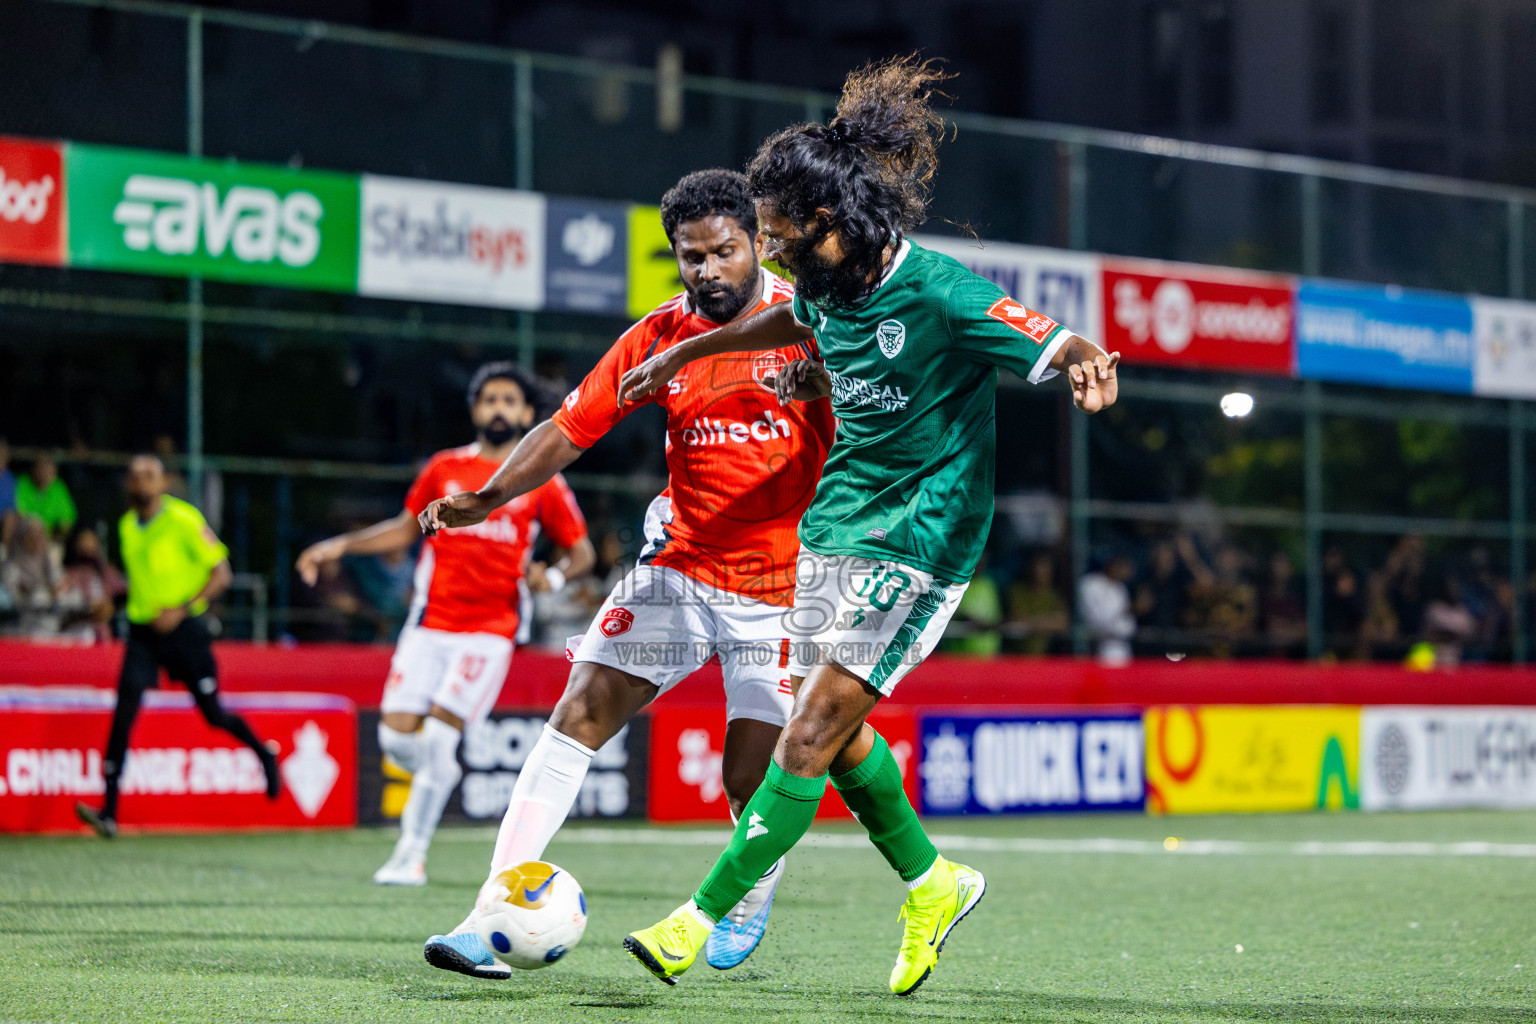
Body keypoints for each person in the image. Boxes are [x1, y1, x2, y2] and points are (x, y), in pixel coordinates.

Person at [605, 56, 1119, 995]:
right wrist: (689, 351)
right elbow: (782, 325)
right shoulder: (825, 288)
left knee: (807, 732)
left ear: (828, 225)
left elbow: (1049, 336)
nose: (769, 251)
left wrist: (1085, 360)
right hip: (837, 527)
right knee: (836, 741)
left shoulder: (940, 291)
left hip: (923, 538)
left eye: (777, 235)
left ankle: (698, 918)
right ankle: (934, 883)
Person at [415, 169, 837, 979]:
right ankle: (487, 915)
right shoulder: (656, 336)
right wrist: (492, 497)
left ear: (757, 242)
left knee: (748, 775)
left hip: (786, 585)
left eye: (725, 251)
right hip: (681, 568)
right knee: (578, 714)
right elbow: (568, 428)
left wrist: (830, 389)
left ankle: (748, 896)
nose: (709, 270)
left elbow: (884, 414)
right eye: (692, 257)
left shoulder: (809, 323)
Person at [296, 362, 593, 886]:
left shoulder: (542, 480)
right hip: (429, 626)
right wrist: (338, 546)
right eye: (489, 400)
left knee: (436, 739)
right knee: (396, 742)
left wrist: (554, 575)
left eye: (509, 400)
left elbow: (581, 553)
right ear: (476, 410)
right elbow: (402, 530)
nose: (498, 408)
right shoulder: (443, 468)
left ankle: (410, 855)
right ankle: (441, 776)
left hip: (491, 630)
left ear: (526, 412)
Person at [75, 456, 280, 838]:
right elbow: (143, 583)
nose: (141, 483)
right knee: (124, 713)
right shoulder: (126, 527)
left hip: (186, 631)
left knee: (213, 714)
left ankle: (264, 753)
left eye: (148, 476)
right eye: (134, 476)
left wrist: (182, 608)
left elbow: (222, 574)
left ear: (163, 481)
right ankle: (109, 812)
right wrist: (116, 603)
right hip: (142, 634)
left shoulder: (184, 519)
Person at [57, 524, 127, 643]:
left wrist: (110, 607)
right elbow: (62, 602)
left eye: (91, 542)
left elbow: (123, 595)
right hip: (78, 631)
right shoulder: (69, 574)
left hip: (107, 630)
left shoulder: (107, 572)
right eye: (83, 542)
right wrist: (88, 609)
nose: (88, 547)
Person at [1078, 555, 1136, 665]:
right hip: (1092, 647)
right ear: (1113, 566)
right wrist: (1127, 612)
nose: (1127, 572)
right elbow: (1096, 620)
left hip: (1120, 650)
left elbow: (1128, 626)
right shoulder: (1090, 584)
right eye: (1124, 568)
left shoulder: (1121, 589)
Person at [15, 453, 77, 539]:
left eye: (49, 470)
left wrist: (58, 534)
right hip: (25, 537)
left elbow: (68, 518)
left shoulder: (58, 487)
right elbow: (19, 514)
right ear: (34, 469)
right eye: (42, 468)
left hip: (50, 538)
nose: (45, 474)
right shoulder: (23, 483)